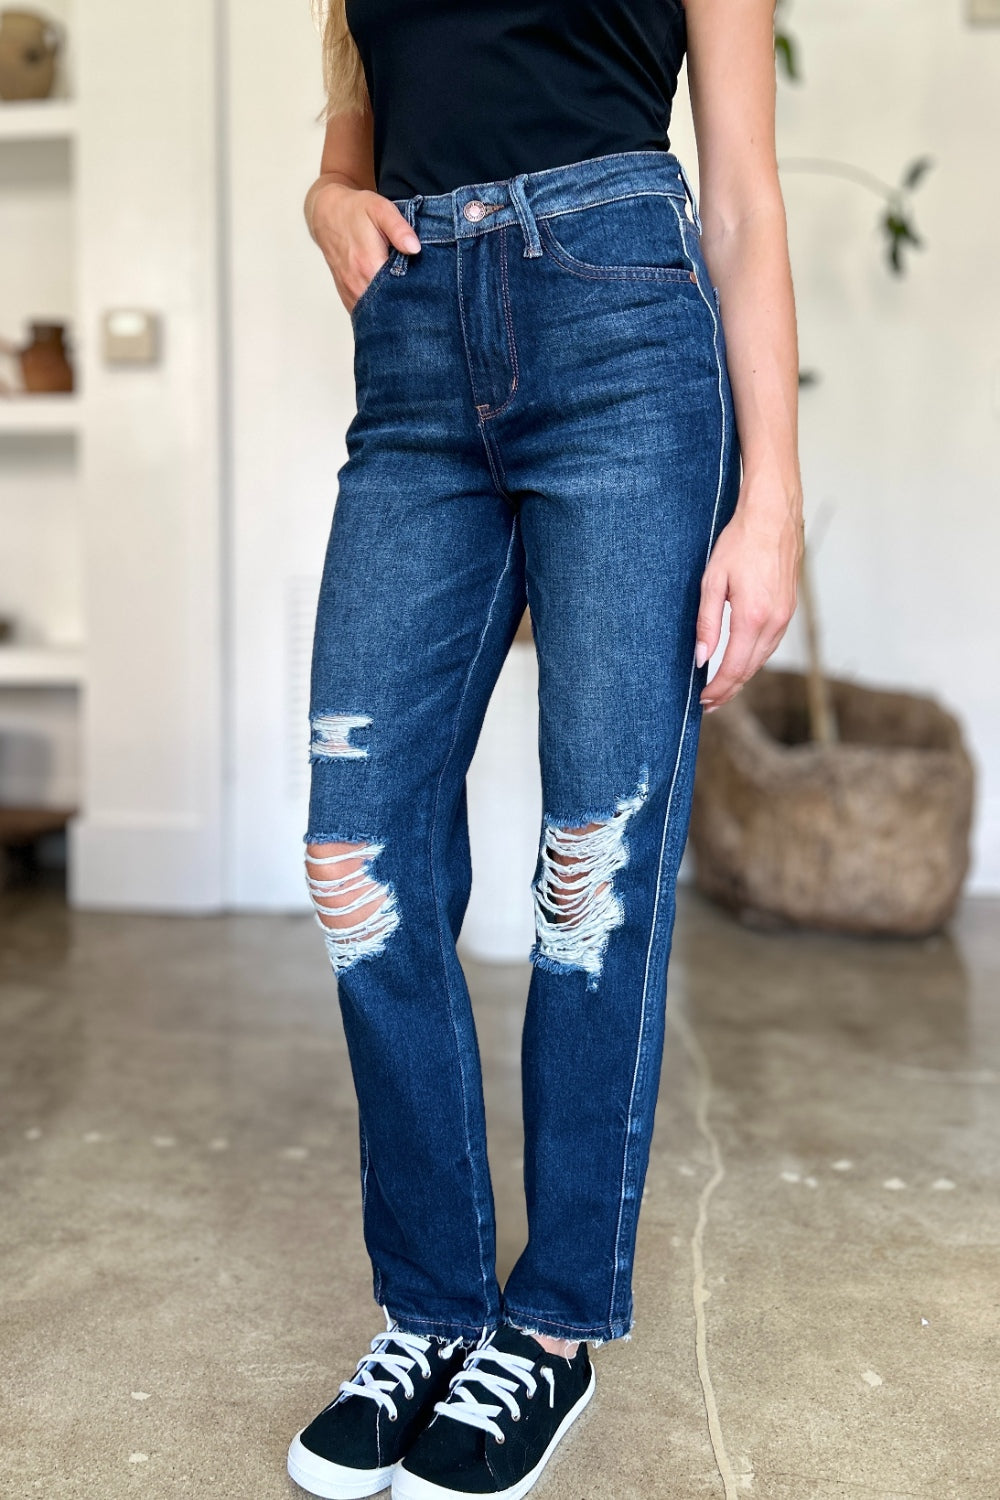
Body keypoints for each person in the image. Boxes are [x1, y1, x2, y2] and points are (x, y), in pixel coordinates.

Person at [288, 2, 803, 1497]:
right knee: (355, 854)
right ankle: (434, 1306)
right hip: (417, 363)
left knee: (597, 869)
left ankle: (555, 1326)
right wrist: (330, 199)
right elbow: (359, 126)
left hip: (626, 330)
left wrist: (768, 502)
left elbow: (750, 196)